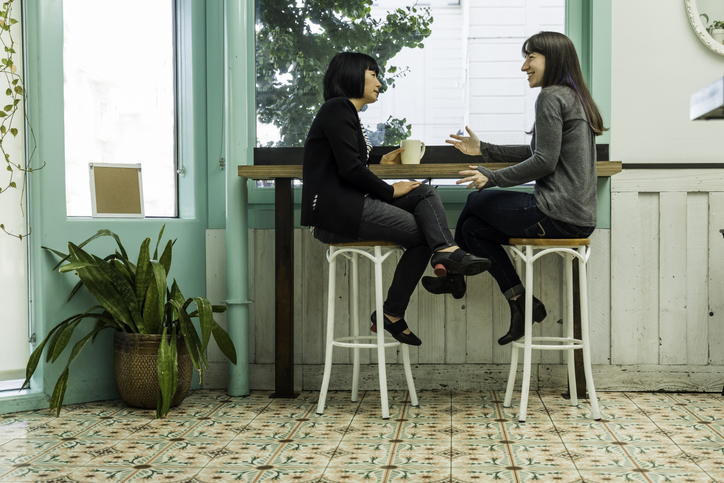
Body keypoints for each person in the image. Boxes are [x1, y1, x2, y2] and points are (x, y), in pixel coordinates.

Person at [428, 31, 606, 345]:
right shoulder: (571, 96)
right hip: (575, 215)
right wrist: (484, 148)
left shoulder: (551, 96)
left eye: (530, 57)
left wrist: (491, 177)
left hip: (557, 213)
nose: (524, 66)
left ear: (552, 59)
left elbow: (544, 162)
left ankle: (454, 276)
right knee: (472, 229)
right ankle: (521, 303)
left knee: (474, 202)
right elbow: (539, 152)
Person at [301, 52, 490, 346]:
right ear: (352, 74)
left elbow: (348, 157)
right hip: (336, 215)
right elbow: (350, 169)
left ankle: (446, 251)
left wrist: (378, 160)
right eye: (373, 74)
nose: (379, 82)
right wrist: (389, 190)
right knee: (424, 232)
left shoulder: (345, 114)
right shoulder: (337, 108)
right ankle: (396, 309)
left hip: (353, 205)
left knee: (424, 192)